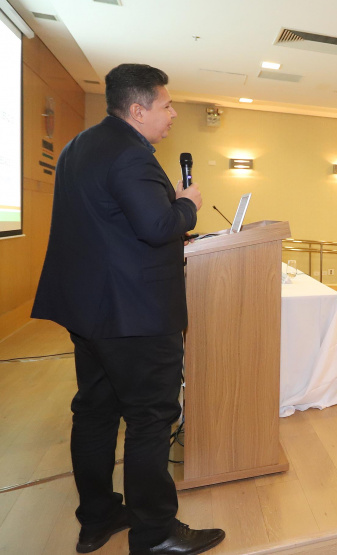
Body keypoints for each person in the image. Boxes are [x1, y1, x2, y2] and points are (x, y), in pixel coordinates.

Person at [30, 64, 224, 555]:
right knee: (150, 418)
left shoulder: (80, 146)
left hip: (89, 311)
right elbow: (158, 226)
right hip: (136, 315)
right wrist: (187, 204)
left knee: (94, 411)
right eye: (166, 105)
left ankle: (97, 517)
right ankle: (155, 533)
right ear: (138, 110)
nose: (173, 113)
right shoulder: (133, 156)